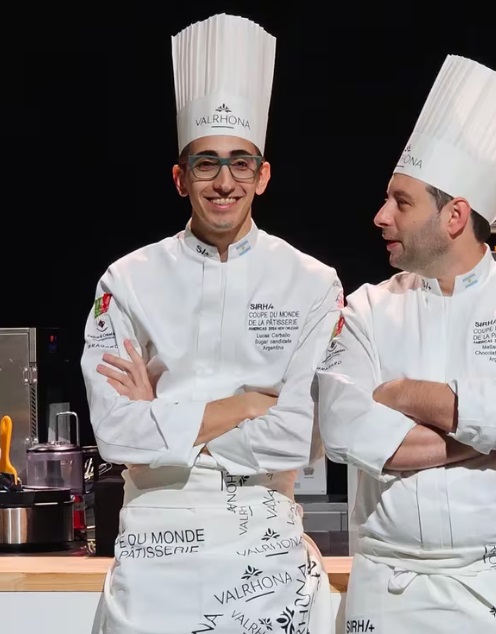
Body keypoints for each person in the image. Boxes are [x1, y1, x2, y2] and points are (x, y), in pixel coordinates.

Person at [81, 13, 339, 634]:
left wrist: (166, 420)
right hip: (152, 548)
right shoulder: (126, 280)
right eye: (206, 164)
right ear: (179, 178)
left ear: (263, 175)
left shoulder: (312, 283)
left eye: (240, 163)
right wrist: (252, 401)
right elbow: (116, 436)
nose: (224, 181)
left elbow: (295, 442)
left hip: (266, 546)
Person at [316, 54, 496, 632]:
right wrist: (489, 439)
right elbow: (342, 428)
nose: (381, 216)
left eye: (401, 202)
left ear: (455, 215)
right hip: (390, 590)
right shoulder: (364, 309)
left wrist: (402, 392)